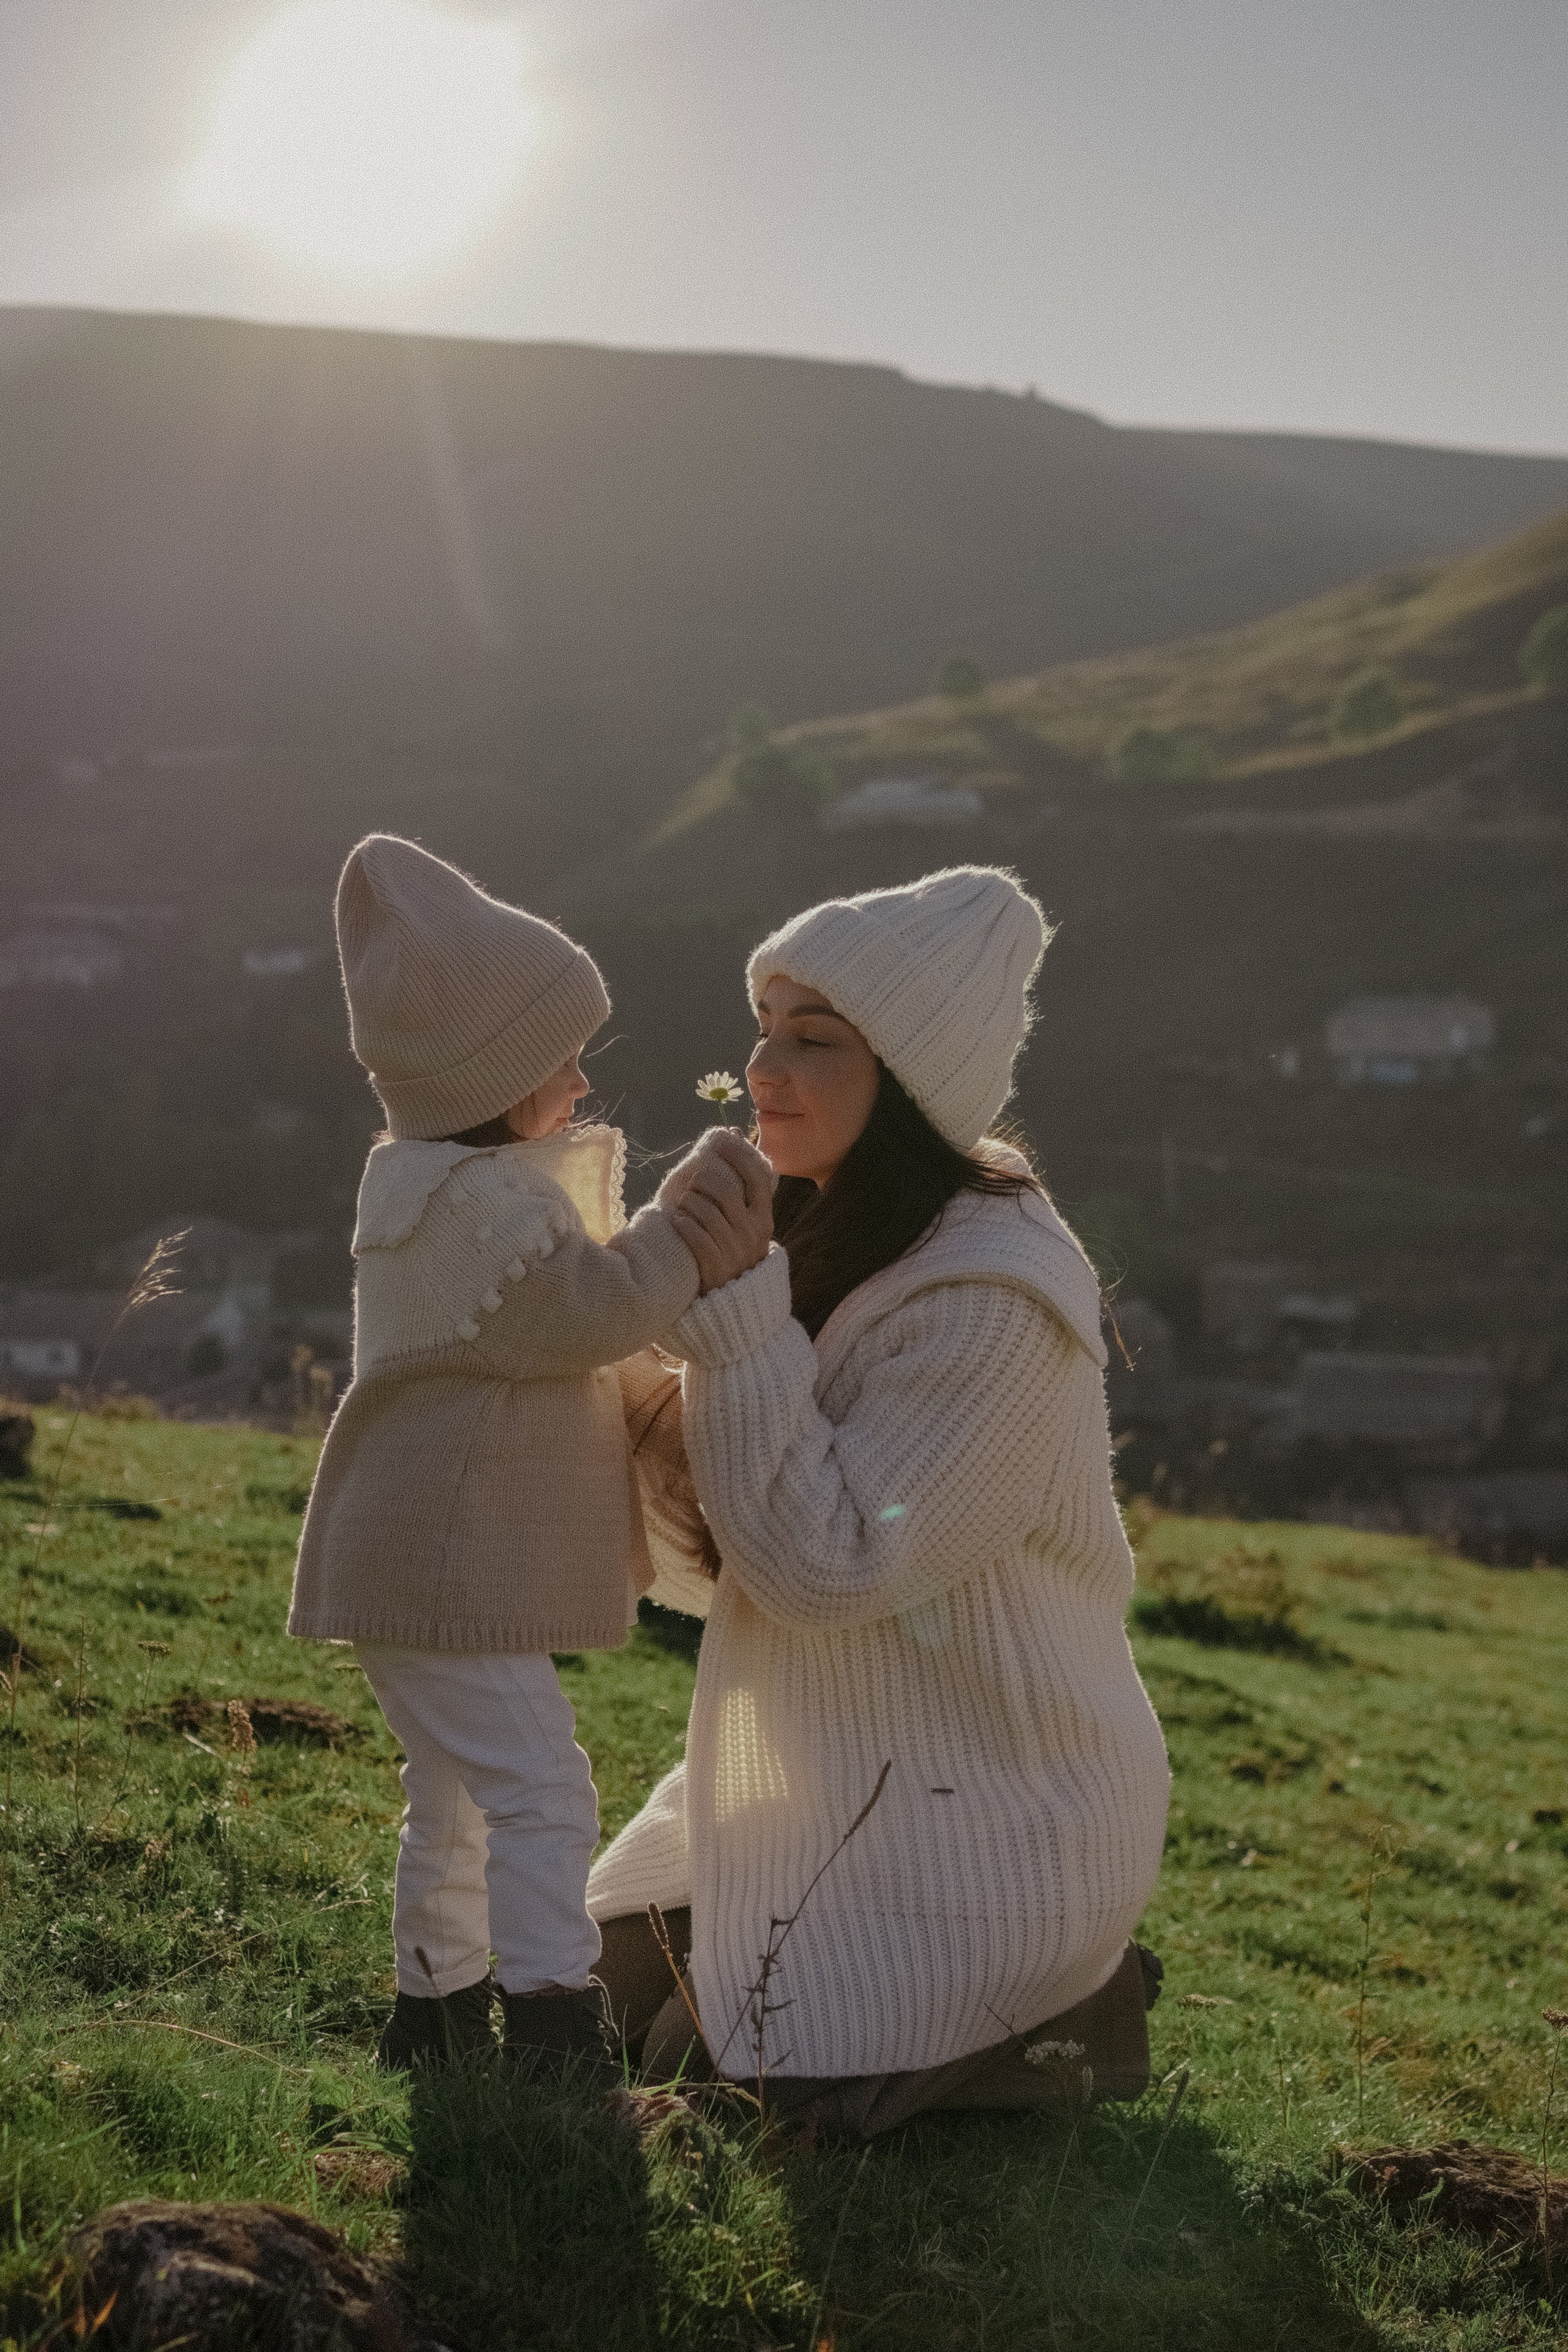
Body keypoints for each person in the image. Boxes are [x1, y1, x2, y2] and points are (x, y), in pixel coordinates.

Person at [592, 865, 1171, 2138]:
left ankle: (1062, 2006)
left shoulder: (988, 1300)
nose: (764, 1067)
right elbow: (715, 1566)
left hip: (982, 1811)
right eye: (765, 1028)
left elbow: (830, 1570)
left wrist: (735, 1320)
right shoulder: (835, 1222)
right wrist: (640, 1292)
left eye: (815, 1041)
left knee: (722, 2083)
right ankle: (1030, 2021)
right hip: (820, 1776)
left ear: (907, 1081)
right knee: (565, 2002)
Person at [286, 834, 772, 2073]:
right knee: (541, 1793)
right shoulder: (477, 1210)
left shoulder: (424, 1186)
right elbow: (593, 1312)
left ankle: (431, 2017)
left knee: (452, 1801)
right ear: (489, 1080)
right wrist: (687, 1231)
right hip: (444, 1574)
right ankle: (553, 2026)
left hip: (407, 1566)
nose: (576, 1082)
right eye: (555, 1062)